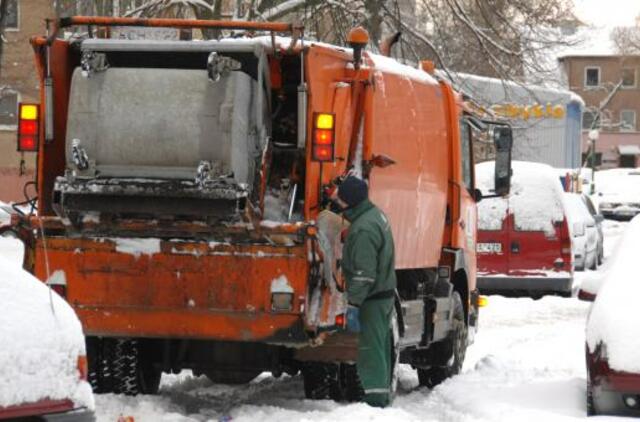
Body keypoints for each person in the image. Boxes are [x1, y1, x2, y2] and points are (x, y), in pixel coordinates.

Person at [332, 175, 397, 408]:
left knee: (370, 351)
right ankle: (381, 396)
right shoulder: (374, 215)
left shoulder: (362, 230)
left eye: (340, 199)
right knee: (380, 348)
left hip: (372, 298)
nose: (336, 203)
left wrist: (354, 304)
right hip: (383, 294)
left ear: (350, 202)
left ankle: (375, 403)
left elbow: (364, 274)